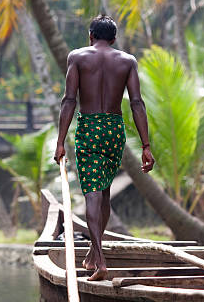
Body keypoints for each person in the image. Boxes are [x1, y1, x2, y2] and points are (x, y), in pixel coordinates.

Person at [53, 15, 155, 281]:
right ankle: (92, 252)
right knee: (104, 190)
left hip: (89, 128)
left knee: (92, 194)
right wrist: (145, 146)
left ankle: (100, 260)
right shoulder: (127, 61)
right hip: (113, 129)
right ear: (114, 39)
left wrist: (60, 140)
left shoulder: (77, 57)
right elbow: (136, 103)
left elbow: (69, 100)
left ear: (90, 36)